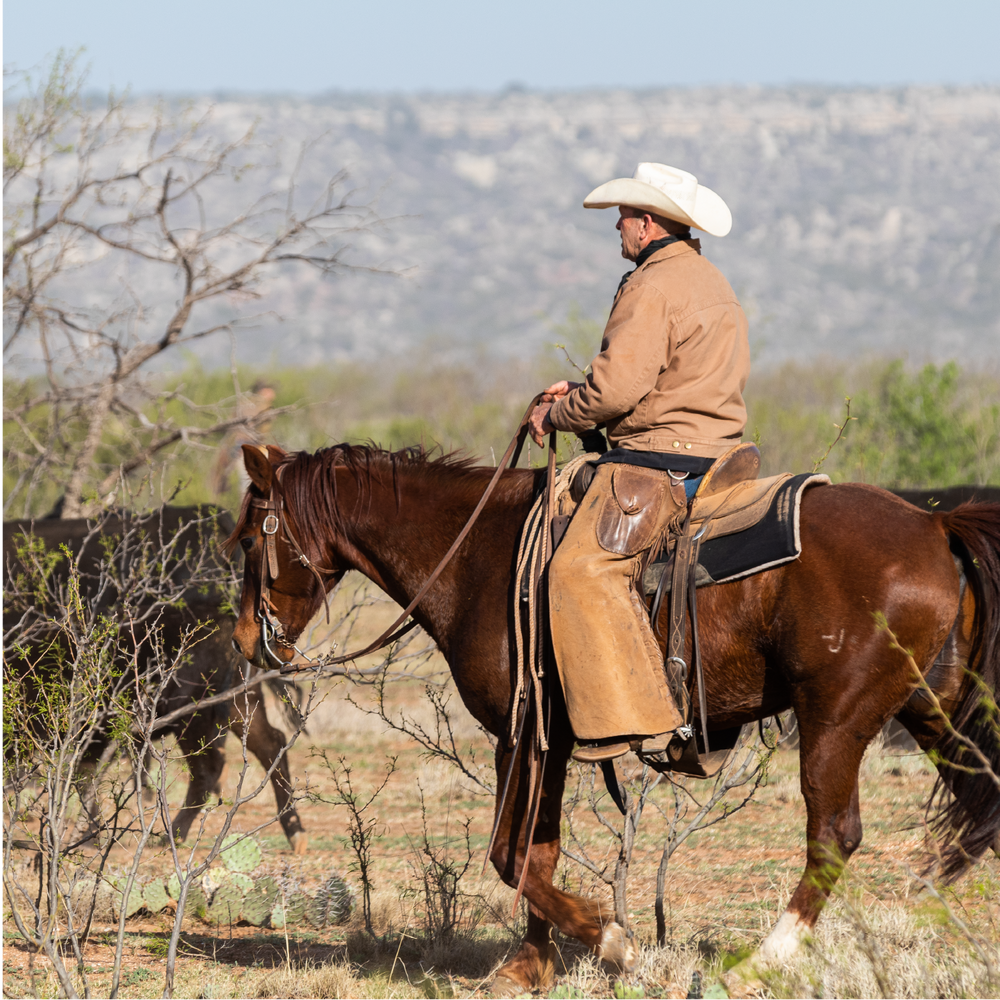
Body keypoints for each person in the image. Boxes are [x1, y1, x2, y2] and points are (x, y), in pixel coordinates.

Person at [528, 162, 750, 764]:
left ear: (648, 223)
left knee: (577, 573)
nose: (617, 228)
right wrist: (580, 391)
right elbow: (666, 378)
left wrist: (557, 415)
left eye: (623, 217)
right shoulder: (712, 281)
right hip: (719, 451)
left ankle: (637, 723)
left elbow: (617, 393)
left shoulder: (650, 286)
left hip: (659, 460)